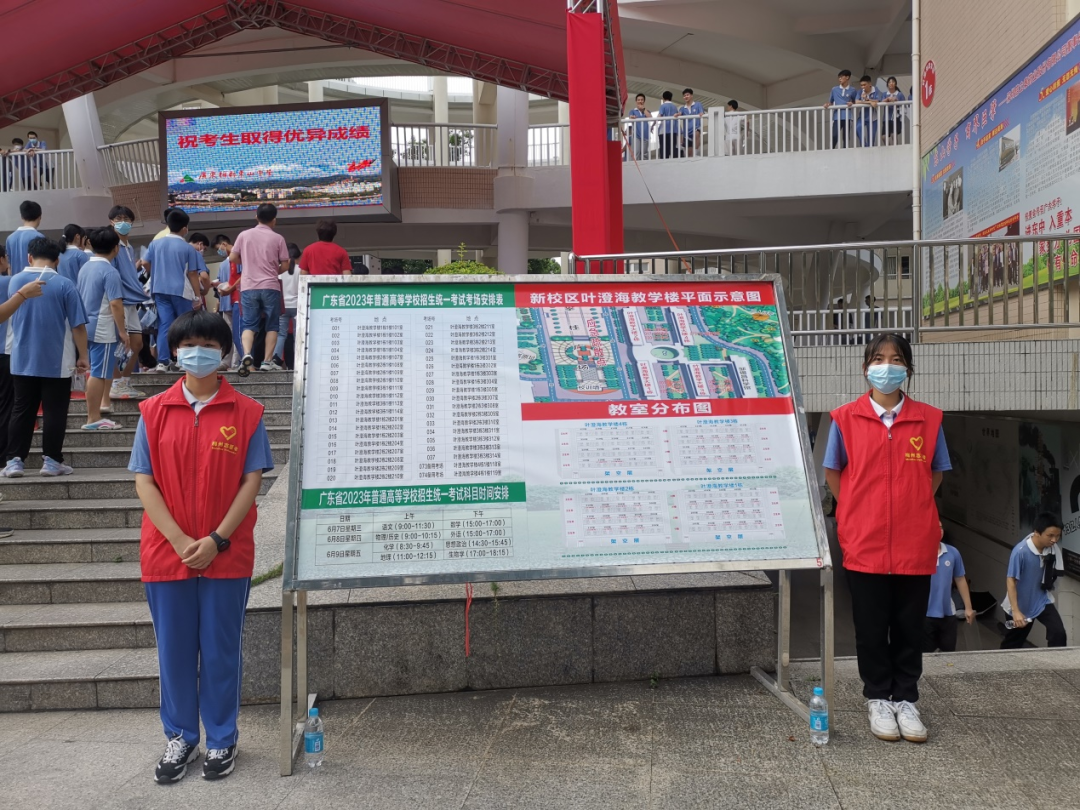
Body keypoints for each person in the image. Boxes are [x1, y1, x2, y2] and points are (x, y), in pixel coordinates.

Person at [128, 309, 274, 784]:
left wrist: (216, 539)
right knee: (173, 651)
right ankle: (181, 737)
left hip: (226, 553)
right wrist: (178, 539)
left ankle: (222, 737)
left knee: (220, 650)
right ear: (175, 351)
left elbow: (252, 480)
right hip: (165, 552)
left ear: (224, 353)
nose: (198, 353)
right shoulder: (153, 411)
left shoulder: (247, 412)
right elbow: (144, 481)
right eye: (189, 345)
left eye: (209, 346)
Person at [823, 333, 951, 743]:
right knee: (871, 627)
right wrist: (858, 510)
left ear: (908, 369)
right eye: (878, 359)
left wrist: (912, 506)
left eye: (896, 359)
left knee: (910, 626)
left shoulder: (929, 420)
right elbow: (833, 472)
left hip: (915, 542)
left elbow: (935, 473)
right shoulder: (845, 419)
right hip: (865, 542)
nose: (887, 366)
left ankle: (906, 699)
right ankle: (878, 698)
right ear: (866, 368)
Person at [1, 237, 89, 478]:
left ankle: (14, 461)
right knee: (54, 411)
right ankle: (52, 461)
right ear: (57, 260)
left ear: (29, 257)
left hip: (21, 358)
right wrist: (83, 356)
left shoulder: (15, 281)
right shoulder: (65, 284)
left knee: (21, 409)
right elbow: (78, 326)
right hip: (58, 360)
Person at [77, 227, 131, 430]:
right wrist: (123, 332)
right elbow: (115, 304)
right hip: (103, 327)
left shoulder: (85, 267)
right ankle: (93, 417)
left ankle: (96, 413)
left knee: (97, 370)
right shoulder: (110, 271)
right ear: (116, 248)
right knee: (98, 373)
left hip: (85, 325)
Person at [228, 203, 289, 376]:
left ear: (256, 217)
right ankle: (267, 361)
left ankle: (247, 355)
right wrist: (273, 271)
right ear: (274, 220)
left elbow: (232, 257)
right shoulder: (278, 238)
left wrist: (248, 263)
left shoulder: (244, 235)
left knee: (249, 325)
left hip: (249, 287)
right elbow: (285, 265)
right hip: (270, 287)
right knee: (272, 326)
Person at [144, 209, 204, 372]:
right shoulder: (188, 249)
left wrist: (155, 273)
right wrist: (197, 296)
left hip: (159, 290)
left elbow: (144, 262)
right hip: (181, 291)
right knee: (185, 325)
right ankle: (183, 361)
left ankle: (163, 361)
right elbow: (192, 273)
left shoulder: (155, 244)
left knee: (165, 325)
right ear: (185, 228)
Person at [1001, 513, 1067, 649]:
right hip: (1020, 604)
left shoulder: (1053, 549)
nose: (1054, 540)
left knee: (1058, 633)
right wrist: (1016, 611)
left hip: (1042, 600)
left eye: (1058, 536)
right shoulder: (1021, 551)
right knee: (1013, 644)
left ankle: (1056, 661)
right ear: (1037, 532)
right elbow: (1011, 581)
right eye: (1050, 535)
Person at [107, 206, 149, 400]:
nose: (122, 222)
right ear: (111, 222)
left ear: (132, 222)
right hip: (120, 300)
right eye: (118, 218)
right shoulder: (112, 246)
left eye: (126, 218)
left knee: (137, 343)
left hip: (132, 301)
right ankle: (116, 382)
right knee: (119, 344)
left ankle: (123, 381)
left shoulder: (129, 247)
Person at [924, 523, 975, 653]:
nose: (940, 531)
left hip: (948, 613)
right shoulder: (919, 553)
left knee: (948, 654)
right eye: (936, 527)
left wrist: (968, 608)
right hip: (924, 614)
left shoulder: (953, 552)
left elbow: (960, 579)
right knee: (925, 656)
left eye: (941, 527)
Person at [213, 234, 244, 365]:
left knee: (237, 334)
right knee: (231, 334)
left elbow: (242, 277)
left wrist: (229, 289)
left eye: (218, 248)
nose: (219, 251)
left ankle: (238, 361)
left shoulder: (238, 258)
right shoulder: (224, 264)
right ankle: (230, 361)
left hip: (236, 299)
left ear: (224, 244)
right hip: (227, 301)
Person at [274, 243, 301, 369]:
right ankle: (299, 360)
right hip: (297, 306)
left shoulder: (279, 270)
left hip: (283, 306)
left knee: (281, 335)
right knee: (297, 335)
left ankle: (276, 359)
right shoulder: (301, 270)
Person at [824, 69, 858, 148]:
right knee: (834, 135)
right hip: (837, 116)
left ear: (847, 77)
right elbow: (831, 102)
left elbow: (855, 101)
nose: (839, 79)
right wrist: (827, 104)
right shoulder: (834, 89)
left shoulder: (852, 90)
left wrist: (852, 103)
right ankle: (831, 149)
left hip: (847, 116)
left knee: (846, 136)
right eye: (839, 77)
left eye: (841, 77)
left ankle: (845, 151)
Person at [854, 75, 882, 147]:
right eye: (861, 85)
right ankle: (864, 145)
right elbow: (856, 101)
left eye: (864, 85)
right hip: (862, 116)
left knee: (871, 138)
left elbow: (877, 101)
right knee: (858, 128)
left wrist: (868, 99)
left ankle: (869, 148)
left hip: (873, 118)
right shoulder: (860, 92)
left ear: (870, 84)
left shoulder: (876, 90)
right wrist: (869, 102)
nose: (862, 87)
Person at [625, 93, 651, 161]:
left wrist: (643, 109)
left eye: (642, 100)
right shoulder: (633, 111)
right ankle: (636, 166)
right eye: (638, 100)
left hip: (645, 135)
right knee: (636, 152)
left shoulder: (647, 111)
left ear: (644, 101)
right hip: (636, 135)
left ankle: (644, 166)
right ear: (636, 101)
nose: (640, 101)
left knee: (644, 153)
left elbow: (650, 117)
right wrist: (632, 117)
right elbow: (630, 117)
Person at [679, 88, 705, 157]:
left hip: (696, 127)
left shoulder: (698, 104)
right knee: (689, 155)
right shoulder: (682, 108)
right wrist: (677, 114)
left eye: (687, 95)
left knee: (696, 134)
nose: (686, 97)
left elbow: (702, 112)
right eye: (684, 96)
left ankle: (696, 153)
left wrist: (701, 113)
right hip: (686, 132)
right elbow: (680, 113)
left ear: (691, 95)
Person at [882, 77, 906, 145]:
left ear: (895, 84)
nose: (891, 83)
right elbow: (881, 101)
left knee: (893, 135)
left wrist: (896, 100)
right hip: (887, 118)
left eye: (893, 82)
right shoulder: (885, 94)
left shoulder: (899, 94)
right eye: (889, 82)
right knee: (884, 136)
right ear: (887, 84)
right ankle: (889, 148)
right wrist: (887, 99)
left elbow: (904, 105)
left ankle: (895, 148)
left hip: (896, 118)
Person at [657, 91, 681, 159]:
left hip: (663, 131)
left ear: (663, 98)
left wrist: (653, 125)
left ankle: (664, 162)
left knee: (664, 150)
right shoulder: (674, 107)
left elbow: (659, 116)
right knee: (673, 148)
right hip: (673, 130)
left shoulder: (662, 106)